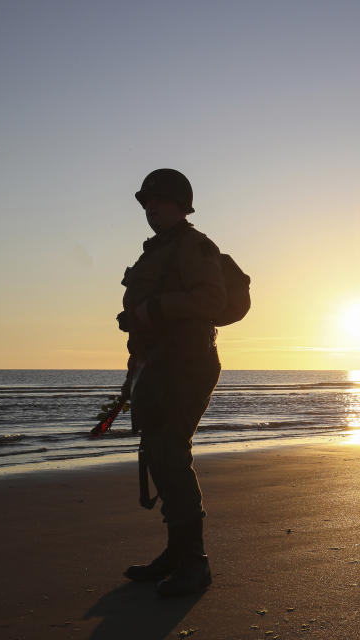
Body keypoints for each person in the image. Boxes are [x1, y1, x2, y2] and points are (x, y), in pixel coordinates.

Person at [117, 168, 225, 597]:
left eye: (158, 200)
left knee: (169, 451)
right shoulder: (154, 253)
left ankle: (195, 563)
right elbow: (144, 322)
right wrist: (134, 369)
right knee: (159, 454)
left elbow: (212, 300)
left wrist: (153, 309)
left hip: (189, 361)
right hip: (156, 364)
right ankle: (176, 553)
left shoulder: (195, 246)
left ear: (180, 204)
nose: (150, 208)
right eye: (146, 202)